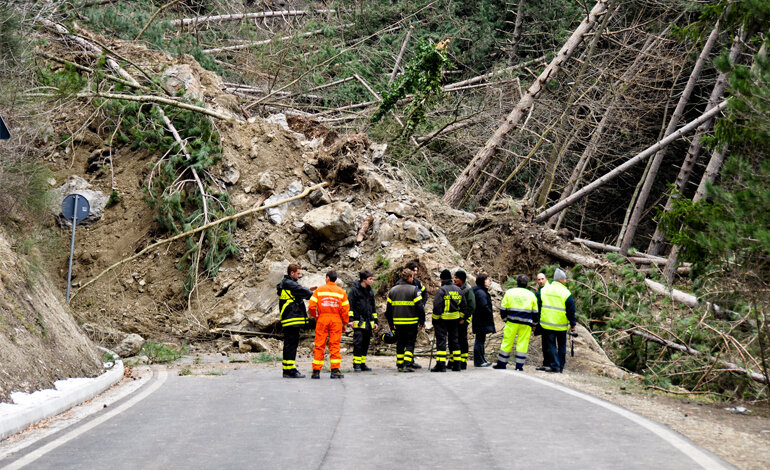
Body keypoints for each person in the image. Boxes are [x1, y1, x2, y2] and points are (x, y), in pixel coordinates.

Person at [308, 270, 351, 379]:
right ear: (335, 279)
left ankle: (316, 371)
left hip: (322, 319)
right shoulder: (341, 292)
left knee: (319, 345)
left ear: (327, 278)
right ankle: (335, 370)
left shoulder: (319, 290)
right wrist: (344, 323)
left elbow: (311, 307)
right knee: (335, 345)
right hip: (336, 320)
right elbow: (345, 310)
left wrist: (316, 316)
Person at [493, 274, 539, 371]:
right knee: (523, 343)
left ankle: (501, 364)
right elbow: (535, 312)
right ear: (527, 284)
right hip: (526, 323)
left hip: (512, 321)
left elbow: (503, 308)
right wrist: (534, 324)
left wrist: (505, 319)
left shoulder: (510, 292)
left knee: (507, 342)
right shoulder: (531, 294)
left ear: (516, 282)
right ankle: (519, 366)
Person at [277, 263, 315, 378]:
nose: (300, 276)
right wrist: (314, 292)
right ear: (292, 273)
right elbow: (303, 292)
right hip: (291, 319)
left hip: (289, 318)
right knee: (291, 345)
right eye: (298, 273)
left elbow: (300, 292)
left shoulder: (286, 284)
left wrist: (308, 290)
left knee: (289, 345)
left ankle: (288, 369)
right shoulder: (290, 283)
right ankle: (291, 370)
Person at [537, 268, 577, 373]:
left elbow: (539, 306)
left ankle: (555, 365)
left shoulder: (545, 290)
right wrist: (573, 324)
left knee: (551, 345)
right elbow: (571, 311)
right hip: (561, 325)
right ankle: (560, 366)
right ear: (561, 280)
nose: (566, 280)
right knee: (562, 346)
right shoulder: (566, 293)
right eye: (565, 279)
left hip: (547, 324)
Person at [385, 268, 425, 372]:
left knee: (400, 342)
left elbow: (388, 310)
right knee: (410, 343)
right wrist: (422, 321)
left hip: (398, 322)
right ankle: (408, 364)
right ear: (409, 277)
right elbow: (420, 307)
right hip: (411, 322)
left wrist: (390, 323)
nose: (413, 279)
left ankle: (400, 364)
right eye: (412, 277)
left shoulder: (393, 290)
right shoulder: (414, 290)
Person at [430, 269, 464, 372]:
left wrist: (435, 319)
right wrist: (461, 318)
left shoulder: (442, 290)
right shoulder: (458, 290)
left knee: (441, 342)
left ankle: (441, 365)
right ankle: (457, 364)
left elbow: (437, 306)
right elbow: (464, 306)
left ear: (442, 279)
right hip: (455, 321)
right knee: (454, 341)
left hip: (443, 320)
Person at [348, 270, 378, 372]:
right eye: (370, 279)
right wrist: (350, 319)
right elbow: (350, 306)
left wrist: (375, 321)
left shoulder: (370, 291)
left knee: (366, 343)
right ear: (364, 279)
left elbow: (373, 308)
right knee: (358, 343)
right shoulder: (354, 291)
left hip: (368, 322)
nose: (372, 281)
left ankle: (362, 363)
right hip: (358, 321)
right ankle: (356, 364)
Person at [454, 270, 475, 370]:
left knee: (462, 340)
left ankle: (463, 362)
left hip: (463, 320)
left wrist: (464, 318)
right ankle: (454, 360)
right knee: (455, 340)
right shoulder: (456, 288)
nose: (454, 279)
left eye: (456, 278)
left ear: (461, 279)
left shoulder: (467, 290)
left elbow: (471, 306)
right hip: (456, 319)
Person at [471, 273, 495, 367]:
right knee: (479, 341)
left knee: (481, 340)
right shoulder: (481, 292)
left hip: (480, 320)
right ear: (483, 281)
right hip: (481, 320)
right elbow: (484, 306)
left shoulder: (480, 291)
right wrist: (489, 313)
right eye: (487, 279)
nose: (489, 281)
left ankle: (482, 359)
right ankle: (479, 361)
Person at [534, 272, 549, 368]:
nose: (540, 281)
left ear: (546, 279)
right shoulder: (540, 291)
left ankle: (549, 363)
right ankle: (546, 363)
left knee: (548, 343)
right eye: (539, 279)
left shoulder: (547, 290)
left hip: (548, 320)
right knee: (545, 343)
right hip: (542, 320)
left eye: (542, 279)